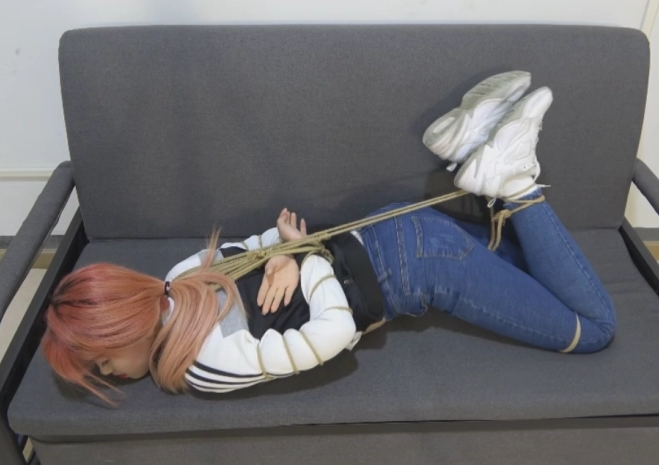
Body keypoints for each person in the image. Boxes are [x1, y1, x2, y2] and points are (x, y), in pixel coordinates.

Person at [42, 71, 616, 402]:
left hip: (415, 266)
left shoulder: (203, 367)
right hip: (386, 227)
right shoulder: (177, 279)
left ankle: (512, 178)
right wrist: (287, 253)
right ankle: (475, 147)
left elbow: (335, 332)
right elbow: (264, 242)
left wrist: (299, 262)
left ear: (122, 326)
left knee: (594, 329)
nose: (109, 374)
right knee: (520, 264)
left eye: (101, 361)